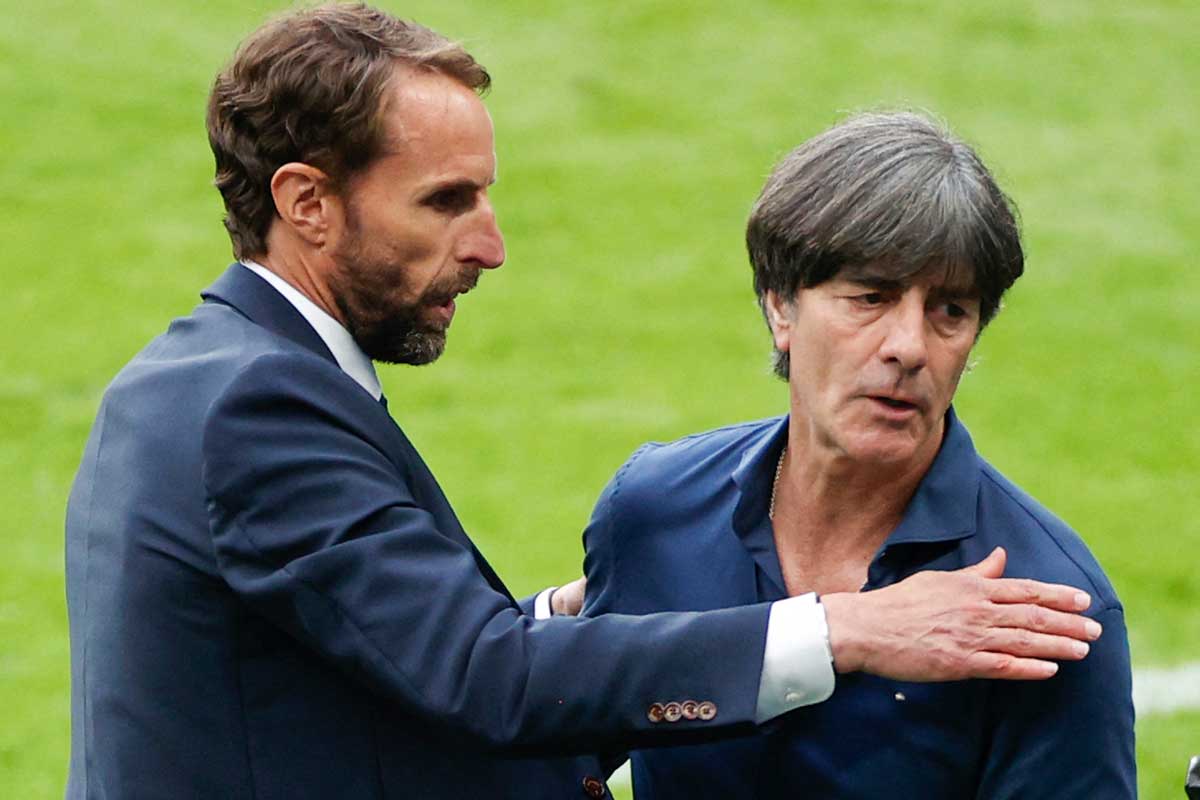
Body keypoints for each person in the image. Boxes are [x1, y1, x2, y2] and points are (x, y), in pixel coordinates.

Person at [64, 6, 1103, 798]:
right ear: (307, 203)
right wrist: (844, 628)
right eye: (446, 200)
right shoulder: (259, 407)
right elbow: (482, 680)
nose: (491, 244)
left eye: (953, 311)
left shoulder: (182, 380)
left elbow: (384, 660)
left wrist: (576, 611)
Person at [582, 111, 1136, 798]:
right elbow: (555, 740)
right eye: (870, 297)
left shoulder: (1043, 609)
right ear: (780, 307)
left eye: (950, 311)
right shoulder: (653, 512)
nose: (909, 346)